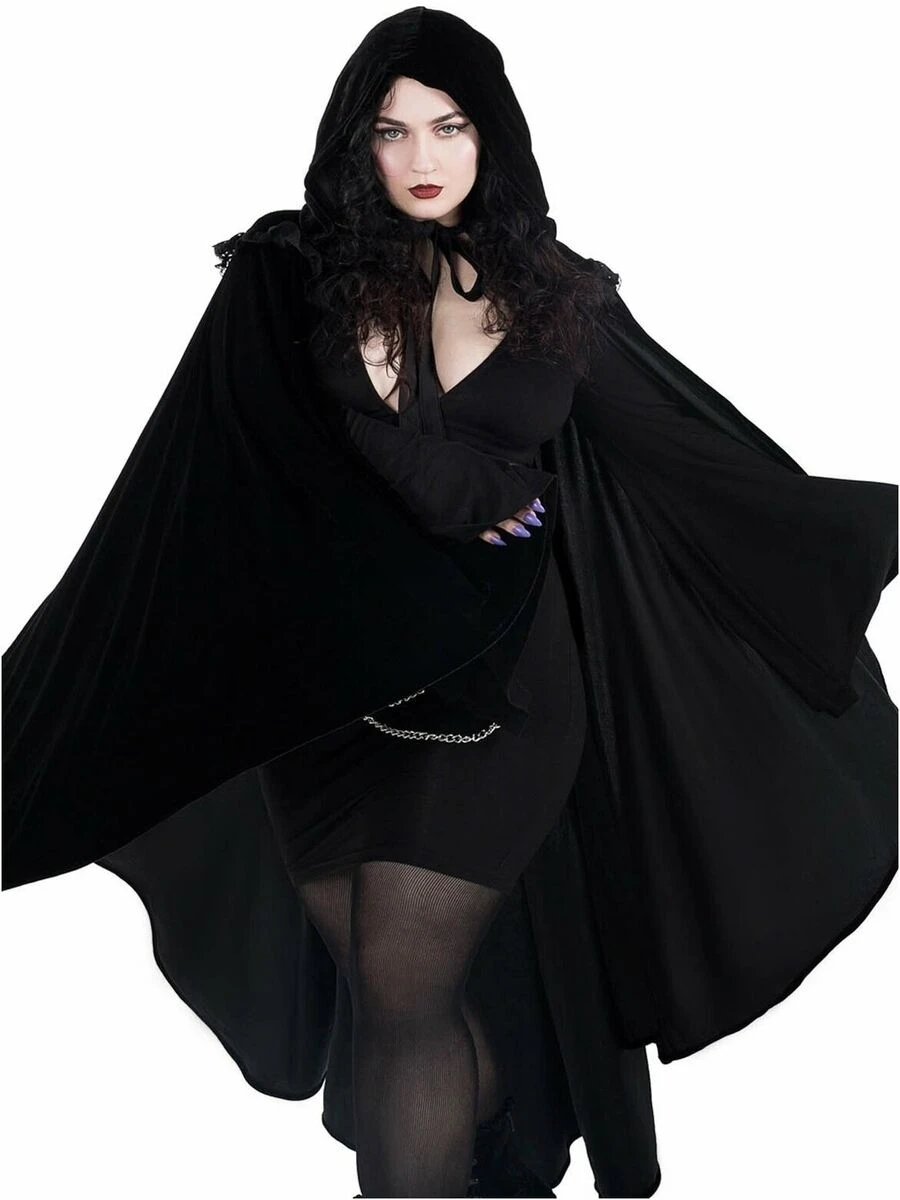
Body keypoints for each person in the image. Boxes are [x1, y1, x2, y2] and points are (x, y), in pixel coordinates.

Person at [2, 7, 896, 1199]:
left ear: (494, 137)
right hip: (328, 702)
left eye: (451, 125)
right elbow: (211, 472)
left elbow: (687, 455)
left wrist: (866, 522)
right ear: (353, 142)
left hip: (504, 693)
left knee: (405, 988)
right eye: (391, 130)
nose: (422, 156)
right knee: (390, 1007)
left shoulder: (560, 295)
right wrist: (435, 474)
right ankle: (497, 1158)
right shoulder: (285, 276)